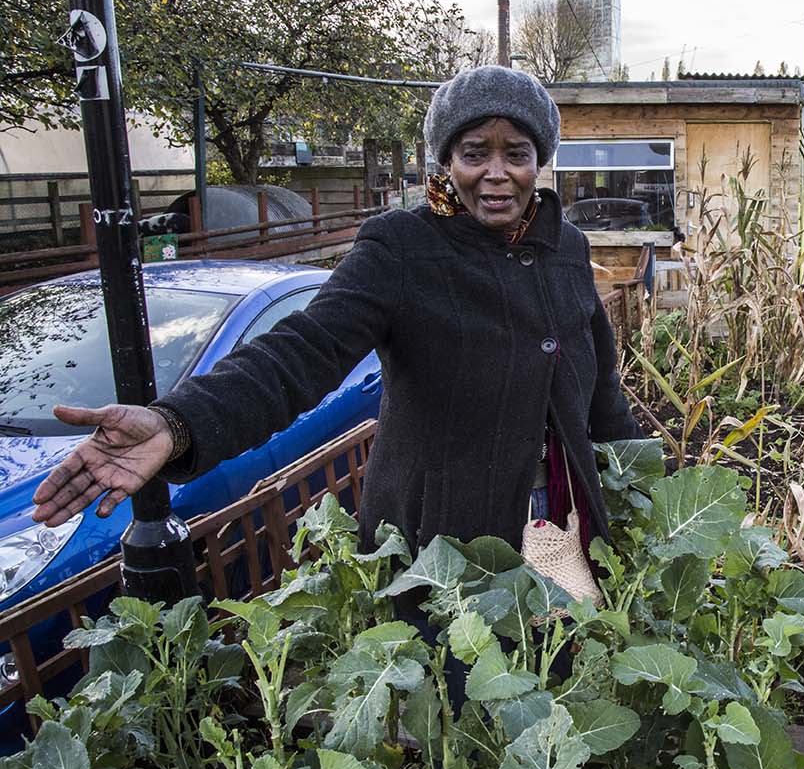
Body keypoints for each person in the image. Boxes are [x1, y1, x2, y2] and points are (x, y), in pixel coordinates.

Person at [31, 64, 641, 598]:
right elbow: (302, 351)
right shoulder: (402, 248)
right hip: (446, 537)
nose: (497, 173)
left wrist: (638, 480)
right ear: (446, 162)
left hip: (559, 507)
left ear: (540, 161)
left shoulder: (564, 245)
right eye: (475, 152)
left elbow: (600, 384)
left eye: (517, 154)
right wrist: (177, 423)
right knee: (463, 699)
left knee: (554, 675)